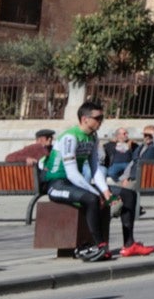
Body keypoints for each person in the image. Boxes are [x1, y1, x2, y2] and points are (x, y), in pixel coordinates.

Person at [42, 101, 114, 262]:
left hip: (73, 184)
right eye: (98, 117)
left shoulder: (92, 137)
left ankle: (129, 244)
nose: (101, 121)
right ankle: (99, 245)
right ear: (84, 119)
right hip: (57, 184)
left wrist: (106, 191)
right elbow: (72, 173)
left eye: (102, 117)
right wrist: (97, 192)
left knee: (127, 194)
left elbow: (96, 168)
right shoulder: (70, 137)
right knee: (91, 198)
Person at [10, 128, 57, 226]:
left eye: (51, 137)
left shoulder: (53, 148)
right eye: (48, 138)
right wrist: (26, 158)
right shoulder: (34, 148)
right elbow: (9, 157)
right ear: (40, 140)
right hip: (42, 184)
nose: (50, 139)